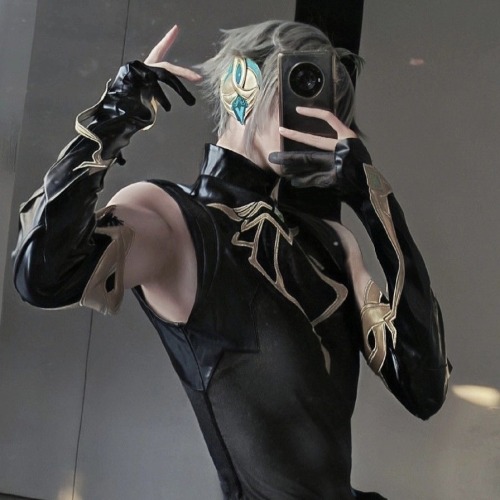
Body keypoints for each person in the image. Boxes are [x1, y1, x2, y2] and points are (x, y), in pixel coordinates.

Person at [12, 20, 450, 500]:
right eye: (301, 83)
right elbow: (43, 274)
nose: (315, 113)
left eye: (328, 101)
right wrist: (115, 115)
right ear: (242, 84)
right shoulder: (175, 220)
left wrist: (374, 200)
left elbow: (424, 390)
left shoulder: (331, 241)